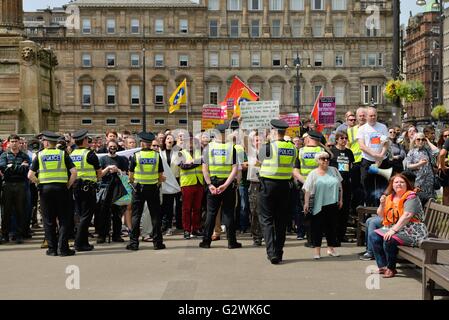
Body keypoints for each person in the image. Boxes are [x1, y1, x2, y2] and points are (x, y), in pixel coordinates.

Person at [27, 131, 77, 256]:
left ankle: (52, 249)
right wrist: (68, 185)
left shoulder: (40, 155)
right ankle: (63, 248)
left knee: (48, 220)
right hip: (61, 189)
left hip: (45, 190)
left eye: (43, 141)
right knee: (64, 219)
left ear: (47, 142)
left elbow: (30, 175)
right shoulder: (62, 153)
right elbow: (74, 172)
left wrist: (39, 183)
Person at [369, 174, 428, 278]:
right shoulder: (389, 197)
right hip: (398, 229)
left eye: (402, 182)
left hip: (413, 232)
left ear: (406, 184)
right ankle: (382, 266)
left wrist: (393, 230)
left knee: (389, 239)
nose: (399, 184)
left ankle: (391, 268)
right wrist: (382, 204)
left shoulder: (411, 197)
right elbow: (380, 214)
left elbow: (407, 215)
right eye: (396, 182)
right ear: (392, 185)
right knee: (374, 235)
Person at [259, 119, 297, 264]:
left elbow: (259, 160)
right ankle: (279, 252)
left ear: (274, 131)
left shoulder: (267, 147)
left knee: (267, 220)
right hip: (285, 186)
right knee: (281, 221)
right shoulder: (293, 147)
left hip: (268, 185)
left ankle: (271, 253)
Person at [199, 124, 241, 250]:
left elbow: (204, 169)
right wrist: (226, 184)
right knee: (228, 213)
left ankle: (206, 241)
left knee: (211, 213)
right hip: (227, 185)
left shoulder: (208, 148)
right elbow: (235, 170)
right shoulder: (231, 148)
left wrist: (209, 185)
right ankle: (232, 242)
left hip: (213, 183)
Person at [127, 132, 166, 251]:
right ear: (150, 144)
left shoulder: (136, 155)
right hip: (153, 188)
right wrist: (157, 183)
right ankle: (157, 243)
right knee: (155, 216)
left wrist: (135, 181)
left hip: (138, 188)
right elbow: (160, 175)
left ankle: (134, 243)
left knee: (136, 216)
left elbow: (130, 175)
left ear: (142, 143)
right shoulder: (156, 156)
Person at [302, 152, 343, 260]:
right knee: (317, 228)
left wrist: (341, 199)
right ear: (317, 160)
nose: (326, 160)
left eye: (327, 158)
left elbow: (340, 186)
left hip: (333, 203)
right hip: (318, 204)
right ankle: (317, 251)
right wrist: (306, 203)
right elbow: (307, 189)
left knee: (332, 227)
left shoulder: (334, 170)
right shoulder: (313, 173)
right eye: (323, 158)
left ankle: (331, 249)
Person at [70, 129, 102, 251]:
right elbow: (99, 173)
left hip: (75, 187)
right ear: (84, 140)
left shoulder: (72, 154)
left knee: (80, 215)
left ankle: (84, 242)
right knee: (86, 216)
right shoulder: (90, 154)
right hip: (87, 188)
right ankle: (79, 243)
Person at [0, 134, 31, 244]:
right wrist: (19, 167)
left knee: (20, 211)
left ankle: (19, 235)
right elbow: (4, 169)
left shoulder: (24, 156)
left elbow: (26, 170)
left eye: (16, 141)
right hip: (7, 185)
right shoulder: (4, 155)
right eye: (12, 141)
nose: (14, 143)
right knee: (6, 211)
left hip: (21, 185)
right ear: (8, 143)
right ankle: (5, 235)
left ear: (19, 143)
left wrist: (11, 166)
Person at [357, 106, 390, 206]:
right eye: (370, 116)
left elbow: (386, 143)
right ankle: (368, 210)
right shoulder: (362, 129)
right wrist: (375, 155)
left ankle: (380, 209)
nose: (373, 117)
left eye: (374, 115)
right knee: (367, 186)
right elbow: (362, 146)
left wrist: (381, 155)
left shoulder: (382, 127)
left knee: (382, 186)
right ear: (366, 116)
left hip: (382, 161)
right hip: (368, 160)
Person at [97, 140, 128, 243]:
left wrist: (117, 170)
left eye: (114, 146)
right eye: (111, 146)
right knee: (103, 213)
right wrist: (108, 168)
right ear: (107, 147)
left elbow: (125, 173)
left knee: (117, 213)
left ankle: (117, 235)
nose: (112, 148)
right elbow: (99, 174)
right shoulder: (103, 159)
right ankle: (102, 235)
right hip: (105, 188)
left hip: (118, 189)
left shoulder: (122, 159)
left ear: (117, 148)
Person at [329, 131, 354, 245]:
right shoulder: (332, 152)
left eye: (346, 138)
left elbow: (351, 166)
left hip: (346, 184)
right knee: (334, 211)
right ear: (337, 140)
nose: (344, 140)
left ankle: (341, 235)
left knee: (345, 211)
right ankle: (333, 237)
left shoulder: (349, 152)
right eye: (342, 138)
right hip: (334, 184)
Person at [177, 135, 204, 239]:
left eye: (194, 142)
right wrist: (198, 161)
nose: (192, 145)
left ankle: (196, 229)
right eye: (190, 142)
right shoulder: (180, 153)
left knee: (197, 208)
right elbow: (184, 166)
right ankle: (187, 230)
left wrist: (193, 162)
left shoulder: (199, 153)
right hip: (187, 184)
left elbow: (203, 162)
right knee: (186, 209)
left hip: (199, 182)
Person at [404, 132, 439, 206]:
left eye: (422, 139)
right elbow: (408, 165)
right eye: (418, 139)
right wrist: (419, 164)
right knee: (418, 201)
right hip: (418, 182)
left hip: (429, 182)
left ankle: (428, 217)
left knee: (429, 202)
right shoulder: (412, 152)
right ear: (415, 141)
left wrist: (428, 141)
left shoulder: (427, 150)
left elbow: (437, 151)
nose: (420, 141)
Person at [160, 134, 181, 235]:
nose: (170, 140)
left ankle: (169, 226)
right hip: (163, 180)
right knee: (163, 204)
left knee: (170, 205)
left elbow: (182, 166)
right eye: (168, 138)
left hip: (174, 180)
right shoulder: (160, 153)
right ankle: (163, 225)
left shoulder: (178, 153)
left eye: (172, 138)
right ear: (164, 141)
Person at [347, 107, 367, 214]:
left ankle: (364, 211)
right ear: (357, 117)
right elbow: (347, 146)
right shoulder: (350, 131)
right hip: (355, 163)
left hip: (367, 161)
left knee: (365, 187)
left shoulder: (370, 129)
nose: (362, 117)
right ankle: (355, 212)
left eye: (364, 115)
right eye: (360, 115)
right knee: (355, 188)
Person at [437, 128, 449, 205]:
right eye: (445, 136)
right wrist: (443, 165)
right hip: (446, 173)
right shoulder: (441, 147)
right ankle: (445, 213)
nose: (447, 137)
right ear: (442, 137)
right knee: (446, 193)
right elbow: (438, 162)